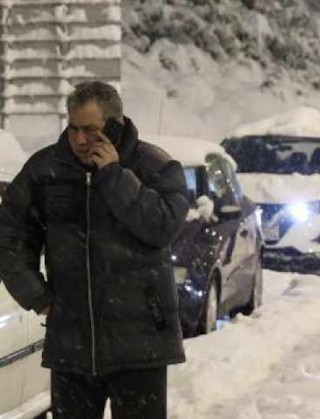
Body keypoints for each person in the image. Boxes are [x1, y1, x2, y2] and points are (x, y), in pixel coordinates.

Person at [0, 81, 190, 418]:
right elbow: (9, 236)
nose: (79, 139)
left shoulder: (154, 167)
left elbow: (162, 227)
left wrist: (114, 176)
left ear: (115, 126)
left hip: (141, 344)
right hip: (72, 347)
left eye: (90, 129)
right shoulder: (45, 170)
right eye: (72, 128)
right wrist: (37, 296)